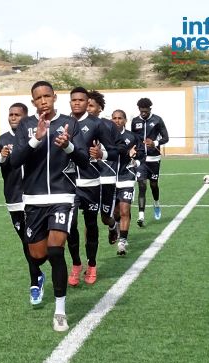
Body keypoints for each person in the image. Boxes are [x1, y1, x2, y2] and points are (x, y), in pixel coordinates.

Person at [9, 81, 90, 332]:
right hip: (33, 200)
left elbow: (84, 159)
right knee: (38, 255)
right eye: (38, 98)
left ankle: (60, 310)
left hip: (62, 197)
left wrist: (68, 145)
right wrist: (35, 139)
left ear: (55, 97)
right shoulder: (26, 125)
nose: (43, 101)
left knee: (56, 251)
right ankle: (41, 277)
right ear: (33, 102)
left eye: (47, 96)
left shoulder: (70, 123)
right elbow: (15, 161)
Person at [0, 102, 46, 306]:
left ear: (26, 117)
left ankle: (35, 281)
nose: (13, 117)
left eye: (17, 114)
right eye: (10, 114)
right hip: (14, 201)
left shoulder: (36, 136)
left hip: (36, 198)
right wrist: (1, 158)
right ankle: (37, 278)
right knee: (26, 243)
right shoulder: (2, 141)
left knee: (40, 245)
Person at [65, 87, 120, 286]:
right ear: (70, 102)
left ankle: (93, 264)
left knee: (91, 224)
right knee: (70, 226)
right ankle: (76, 264)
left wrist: (101, 154)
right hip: (68, 184)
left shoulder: (97, 124)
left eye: (82, 100)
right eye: (74, 100)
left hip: (91, 184)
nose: (77, 103)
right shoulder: (63, 123)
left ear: (87, 102)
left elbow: (114, 152)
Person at [86, 90, 123, 246]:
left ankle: (113, 226)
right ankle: (90, 259)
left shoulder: (109, 125)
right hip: (87, 177)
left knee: (105, 217)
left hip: (107, 175)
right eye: (86, 105)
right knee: (90, 218)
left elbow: (120, 148)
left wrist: (103, 153)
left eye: (91, 105)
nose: (88, 108)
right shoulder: (75, 124)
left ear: (100, 108)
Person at [130, 97, 169, 227]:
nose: (143, 113)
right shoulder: (135, 122)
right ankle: (141, 216)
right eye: (141, 111)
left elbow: (166, 138)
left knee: (153, 185)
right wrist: (133, 149)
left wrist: (155, 143)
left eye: (145, 111)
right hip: (140, 159)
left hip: (154, 159)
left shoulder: (157, 120)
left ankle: (156, 203)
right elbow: (133, 138)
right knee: (142, 185)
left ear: (149, 109)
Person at [111, 110, 145, 255]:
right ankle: (115, 228)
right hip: (109, 178)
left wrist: (135, 161)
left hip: (127, 177)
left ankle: (122, 242)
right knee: (115, 212)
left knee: (125, 210)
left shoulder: (132, 137)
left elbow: (142, 154)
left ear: (125, 120)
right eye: (114, 118)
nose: (117, 120)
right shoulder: (105, 135)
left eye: (120, 118)